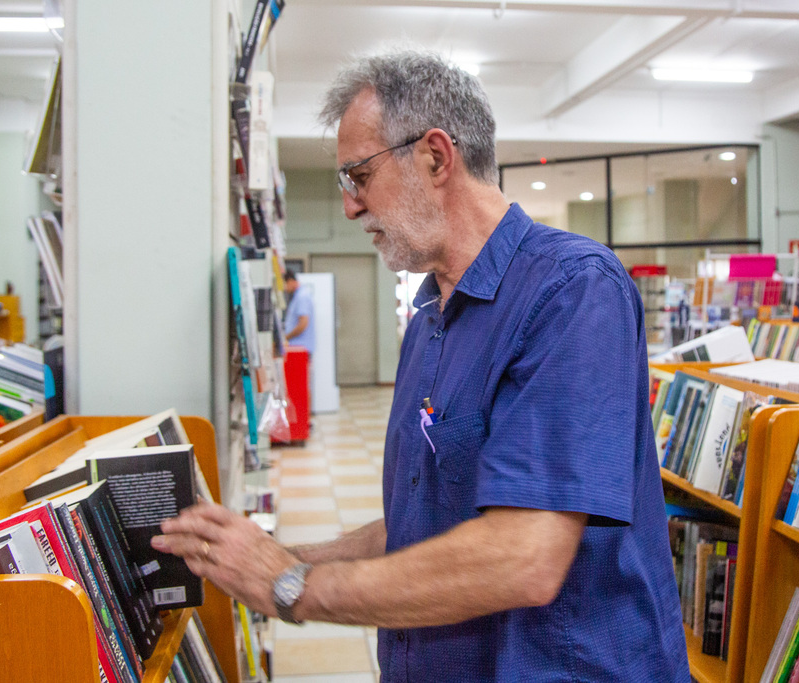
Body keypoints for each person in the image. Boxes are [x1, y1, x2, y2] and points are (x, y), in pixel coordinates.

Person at [152, 48, 690, 682]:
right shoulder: (431, 315)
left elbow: (524, 557)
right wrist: (277, 555)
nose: (350, 206)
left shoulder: (573, 290)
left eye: (357, 174)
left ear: (436, 156)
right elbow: (427, 521)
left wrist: (293, 586)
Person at [282, 268, 315, 355]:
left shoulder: (302, 297)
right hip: (297, 348)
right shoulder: (298, 296)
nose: (284, 288)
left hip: (300, 349)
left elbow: (303, 323)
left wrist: (286, 337)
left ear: (290, 281)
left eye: (284, 284)